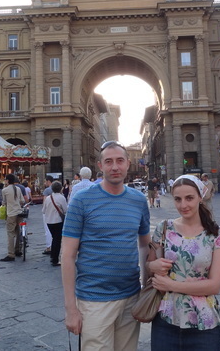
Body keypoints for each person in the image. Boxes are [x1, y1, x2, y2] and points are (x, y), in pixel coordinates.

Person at [62, 140, 151, 351]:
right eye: (109, 162)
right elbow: (67, 256)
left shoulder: (139, 200)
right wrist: (71, 309)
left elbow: (145, 246)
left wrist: (145, 288)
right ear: (100, 166)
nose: (115, 167)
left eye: (120, 161)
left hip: (131, 298)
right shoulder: (81, 200)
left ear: (128, 164)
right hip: (94, 301)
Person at [147, 175, 220, 350]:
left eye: (189, 198)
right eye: (178, 199)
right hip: (165, 318)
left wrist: (171, 285)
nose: (183, 205)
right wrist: (151, 266)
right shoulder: (164, 228)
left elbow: (214, 286)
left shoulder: (217, 235)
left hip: (203, 322)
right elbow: (150, 267)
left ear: (200, 197)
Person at [42, 181, 68, 266]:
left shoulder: (48, 198)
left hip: (49, 221)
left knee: (54, 238)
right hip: (58, 221)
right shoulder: (61, 198)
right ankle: (55, 259)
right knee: (57, 239)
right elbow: (65, 210)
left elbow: (43, 210)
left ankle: (53, 256)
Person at [0, 174, 25, 261]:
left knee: (10, 233)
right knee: (18, 231)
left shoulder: (5, 190)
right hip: (19, 212)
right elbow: (22, 200)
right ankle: (18, 249)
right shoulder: (18, 189)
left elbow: (4, 202)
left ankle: (11, 254)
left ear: (7, 180)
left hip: (11, 213)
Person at [41, 176, 54, 255]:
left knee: (47, 229)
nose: (45, 183)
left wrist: (43, 211)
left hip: (48, 212)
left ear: (48, 181)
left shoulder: (47, 190)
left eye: (45, 181)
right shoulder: (57, 189)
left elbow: (45, 202)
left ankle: (49, 247)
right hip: (56, 212)